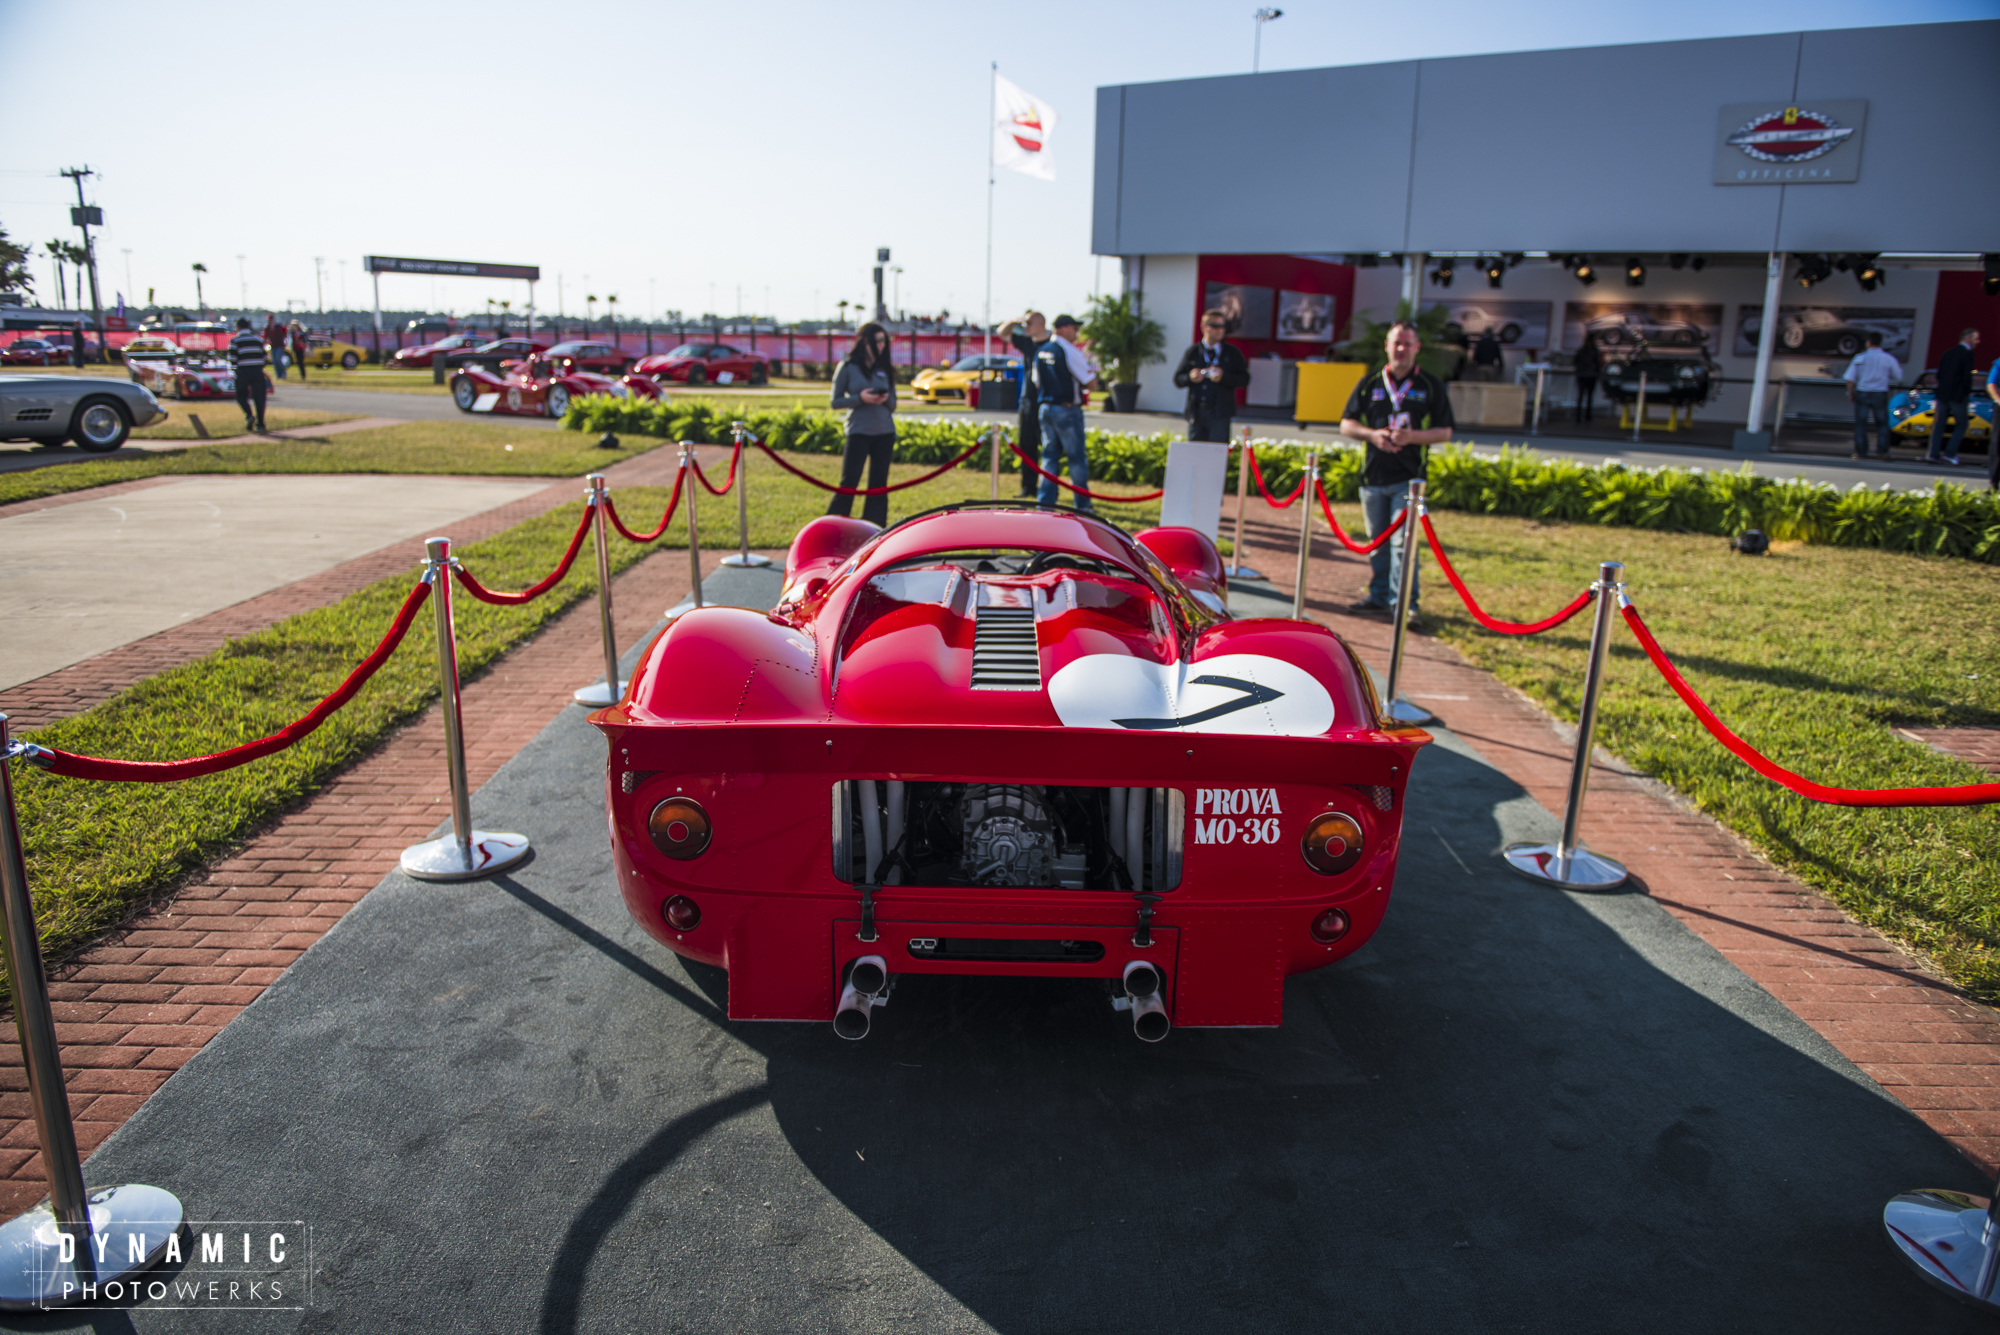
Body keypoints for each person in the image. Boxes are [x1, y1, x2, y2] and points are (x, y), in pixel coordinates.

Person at [1338, 321, 1456, 623]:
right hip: (1373, 477)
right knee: (1378, 542)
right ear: (1387, 346)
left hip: (1409, 480)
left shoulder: (1429, 385)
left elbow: (1445, 431)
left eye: (1407, 343)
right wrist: (1373, 435)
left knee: (1404, 545)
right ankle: (1379, 597)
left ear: (1417, 348)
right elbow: (1346, 424)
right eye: (1396, 343)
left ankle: (1405, 604)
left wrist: (1413, 437)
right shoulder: (1370, 384)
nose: (1401, 349)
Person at [828, 322, 898, 527]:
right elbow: (835, 402)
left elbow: (893, 405)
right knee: (849, 483)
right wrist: (860, 398)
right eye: (877, 340)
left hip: (884, 433)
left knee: (878, 486)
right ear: (865, 341)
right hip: (858, 432)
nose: (882, 345)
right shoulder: (848, 367)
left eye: (884, 341)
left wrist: (883, 398)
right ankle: (834, 527)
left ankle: (873, 530)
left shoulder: (885, 369)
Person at [1032, 314, 1100, 513]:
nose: (1077, 333)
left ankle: (1045, 504)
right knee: (1076, 458)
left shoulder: (1042, 350)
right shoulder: (1069, 351)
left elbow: (1036, 381)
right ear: (1063, 328)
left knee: (1049, 457)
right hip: (1067, 409)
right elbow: (1091, 382)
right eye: (1074, 328)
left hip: (1046, 408)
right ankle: (1083, 505)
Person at [1171, 308, 1251, 442]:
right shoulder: (1193, 352)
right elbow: (1178, 379)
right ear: (1204, 327)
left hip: (1220, 413)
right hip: (1197, 412)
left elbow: (1244, 379)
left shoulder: (1232, 352)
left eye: (1223, 326)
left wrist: (1223, 377)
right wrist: (1191, 377)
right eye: (1215, 326)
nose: (1220, 330)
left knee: (1217, 453)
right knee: (1196, 454)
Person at [996, 310, 1048, 497]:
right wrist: (1013, 320)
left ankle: (1048, 489)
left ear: (1040, 324)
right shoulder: (1027, 343)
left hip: (1046, 402)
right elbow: (1002, 333)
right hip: (1027, 402)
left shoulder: (1052, 345)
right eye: (1024, 324)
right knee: (1027, 446)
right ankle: (1028, 487)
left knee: (1048, 449)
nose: (1025, 327)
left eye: (1029, 323)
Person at [1841, 331, 1902, 460]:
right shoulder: (1888, 358)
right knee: (1882, 424)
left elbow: (1850, 379)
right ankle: (1882, 451)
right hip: (1880, 392)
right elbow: (1898, 376)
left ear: (1868, 342)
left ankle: (1861, 452)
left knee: (1861, 424)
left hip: (1862, 392)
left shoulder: (1860, 358)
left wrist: (1851, 393)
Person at [1929, 328, 1981, 465]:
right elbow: (1966, 377)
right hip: (1958, 396)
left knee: (1939, 426)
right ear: (1968, 339)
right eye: (1976, 339)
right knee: (1962, 425)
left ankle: (1933, 455)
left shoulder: (1947, 353)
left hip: (1943, 395)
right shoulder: (1967, 354)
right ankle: (1949, 454)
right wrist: (1967, 392)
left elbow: (1939, 375)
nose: (1978, 342)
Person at [228, 317, 270, 432]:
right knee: (259, 398)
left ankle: (249, 414)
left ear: (238, 327)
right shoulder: (258, 339)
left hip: (243, 371)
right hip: (257, 371)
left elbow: (232, 359)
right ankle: (261, 424)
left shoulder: (235, 340)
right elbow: (265, 358)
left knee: (240, 395)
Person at [1572, 330, 1602, 422]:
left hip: (1581, 375)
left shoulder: (1581, 350)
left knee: (1580, 395)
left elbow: (1574, 362)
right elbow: (1598, 364)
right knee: (1590, 396)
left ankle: (1578, 415)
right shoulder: (1595, 351)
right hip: (1591, 376)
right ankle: (1588, 415)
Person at [264, 314, 289, 380]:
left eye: (270, 319)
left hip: (280, 345)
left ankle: (283, 372)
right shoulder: (267, 328)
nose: (269, 321)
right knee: (274, 361)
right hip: (273, 346)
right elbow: (265, 337)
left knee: (278, 359)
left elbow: (285, 333)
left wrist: (285, 341)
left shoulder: (279, 326)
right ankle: (278, 374)